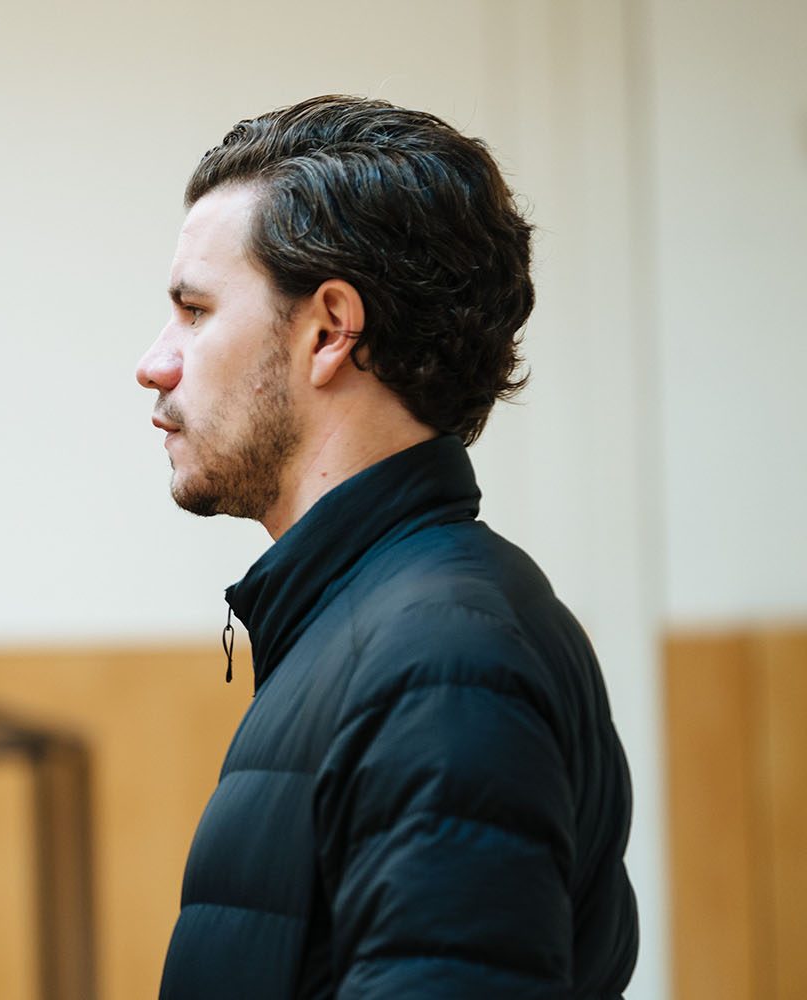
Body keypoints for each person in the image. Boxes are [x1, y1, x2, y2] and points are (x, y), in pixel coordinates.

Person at [135, 96, 637, 998]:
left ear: (330, 330)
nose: (155, 362)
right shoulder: (380, 632)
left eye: (195, 311)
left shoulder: (443, 662)